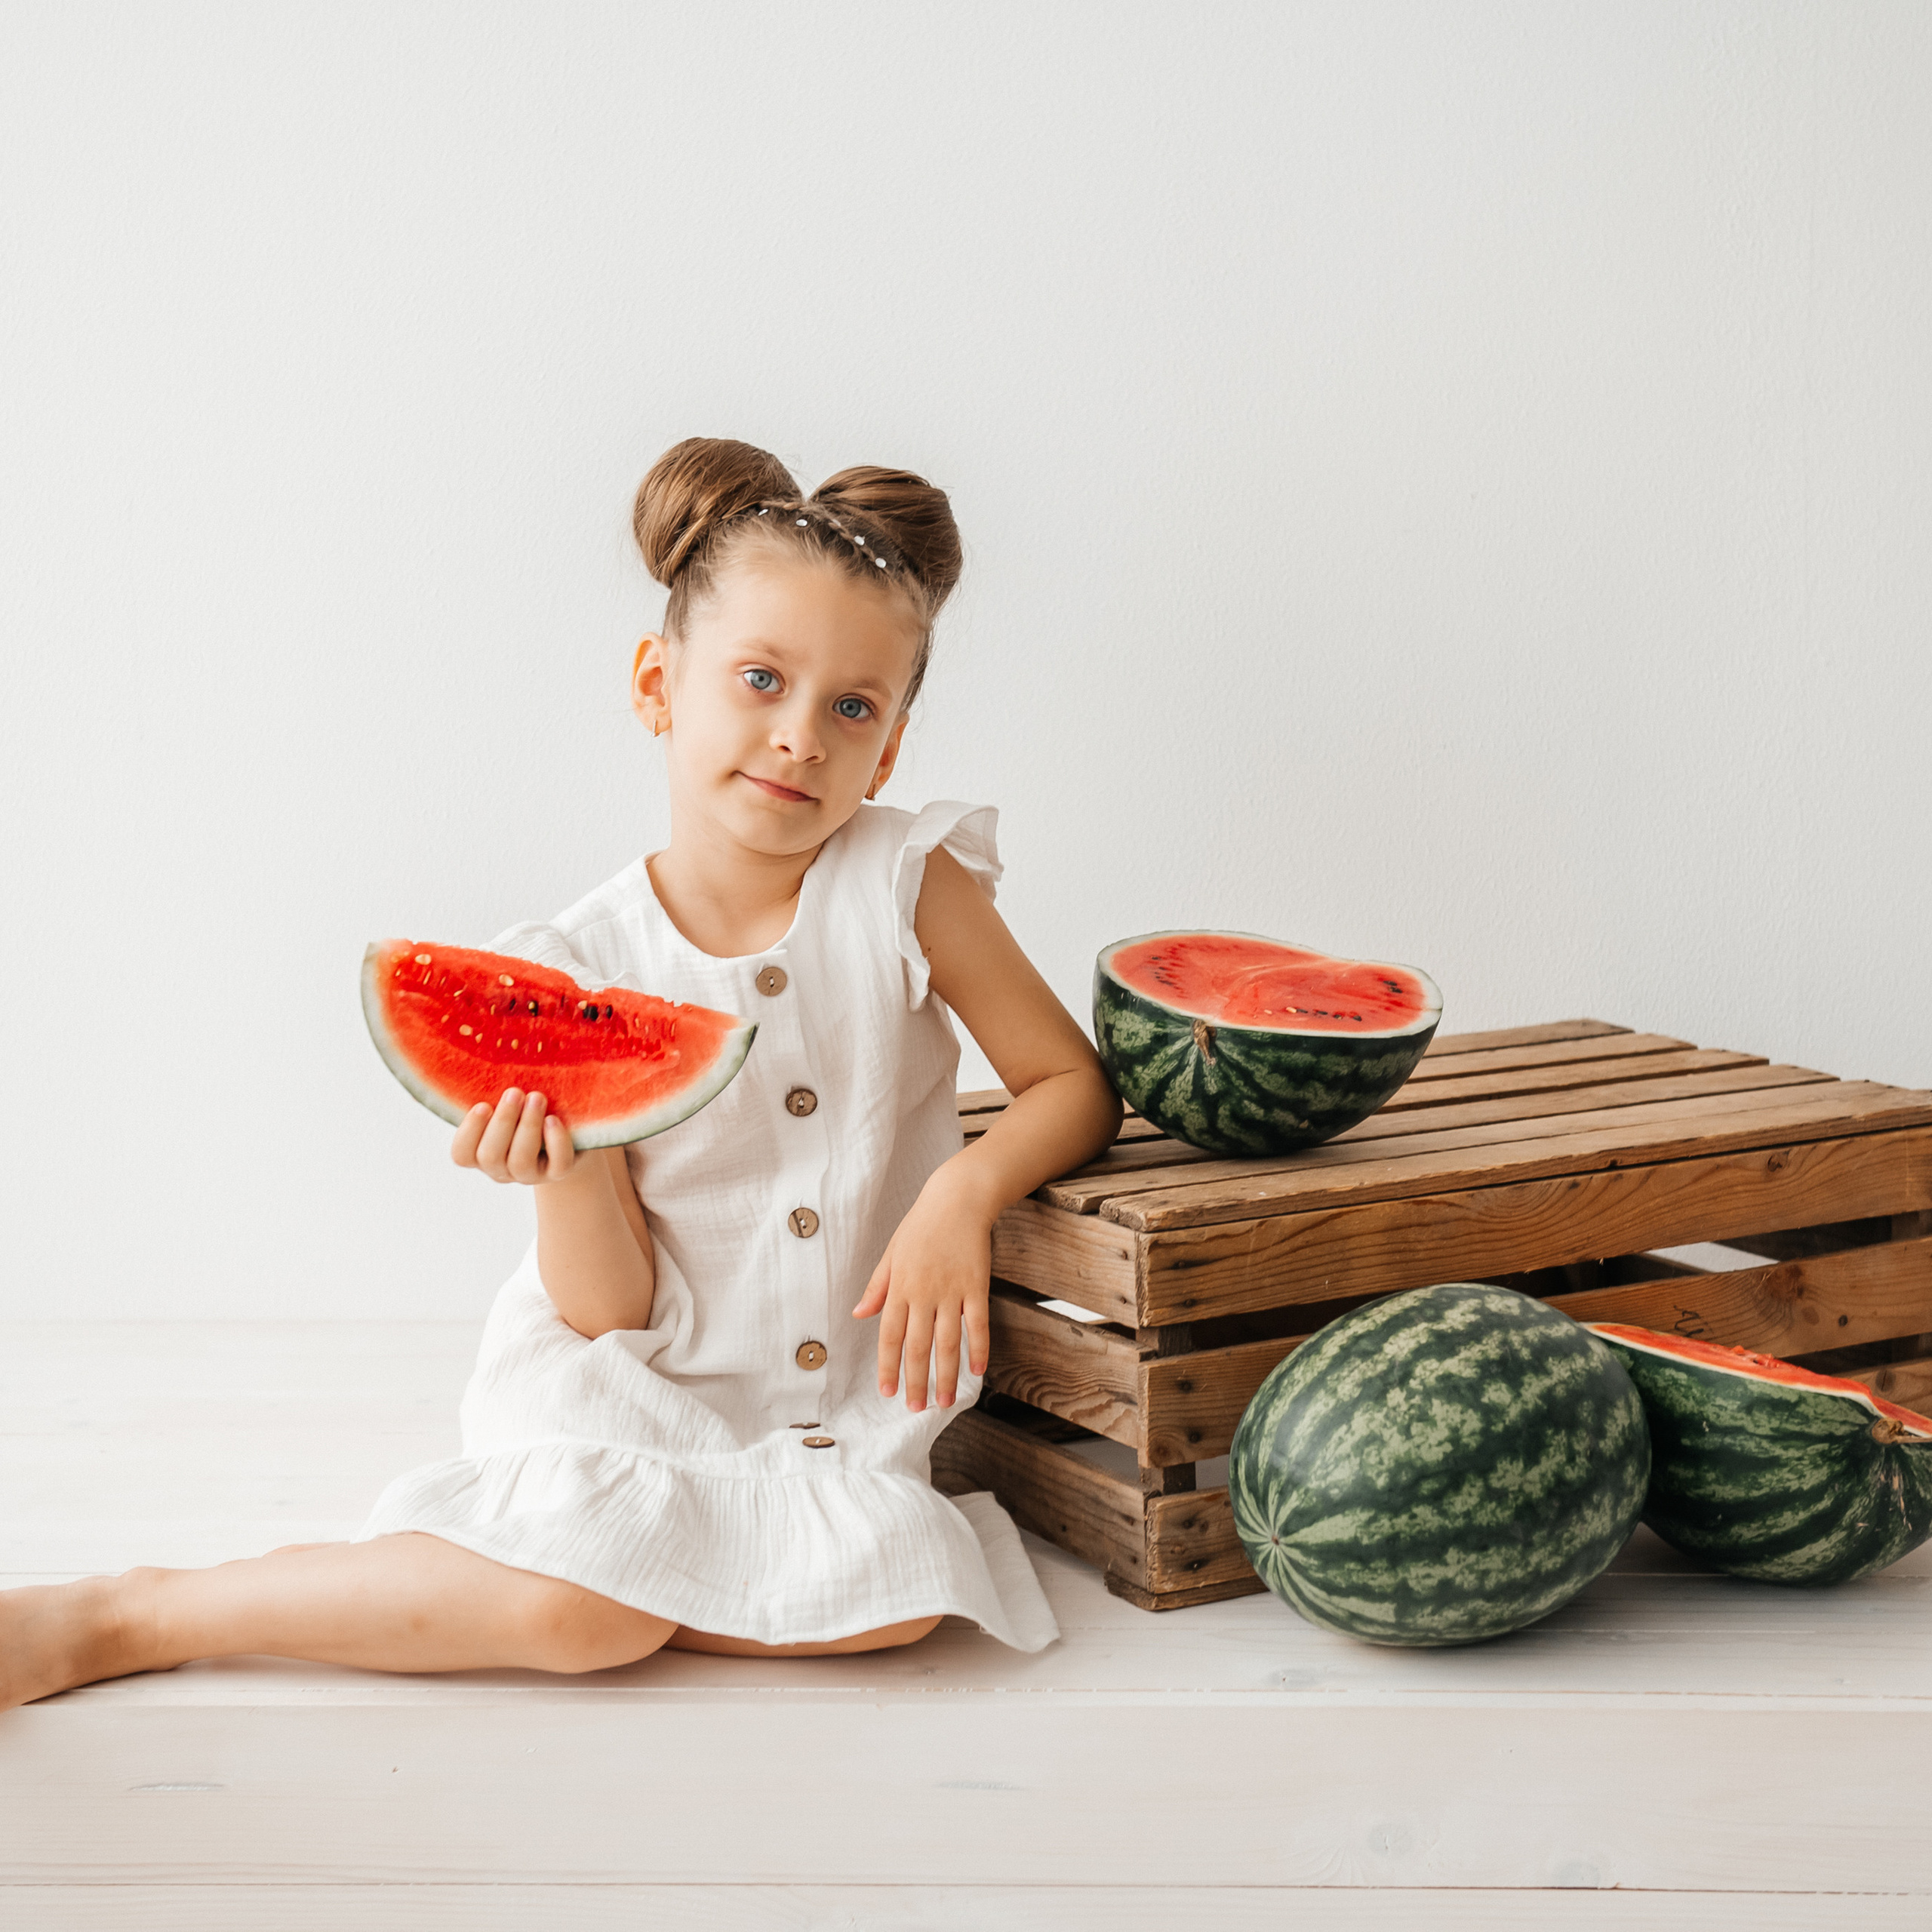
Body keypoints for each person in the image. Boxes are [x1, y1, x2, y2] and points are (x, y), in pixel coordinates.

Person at [0, 436, 1122, 1708]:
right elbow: (603, 1314)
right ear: (658, 684)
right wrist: (566, 1170)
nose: (800, 737)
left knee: (888, 1616)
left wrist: (956, 1201)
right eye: (760, 679)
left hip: (831, 1419)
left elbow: (1069, 1086)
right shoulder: (573, 965)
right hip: (634, 1384)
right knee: (585, 1615)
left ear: (893, 749)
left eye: (851, 707)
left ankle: (602, 1572)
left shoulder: (910, 886)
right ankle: (133, 1613)